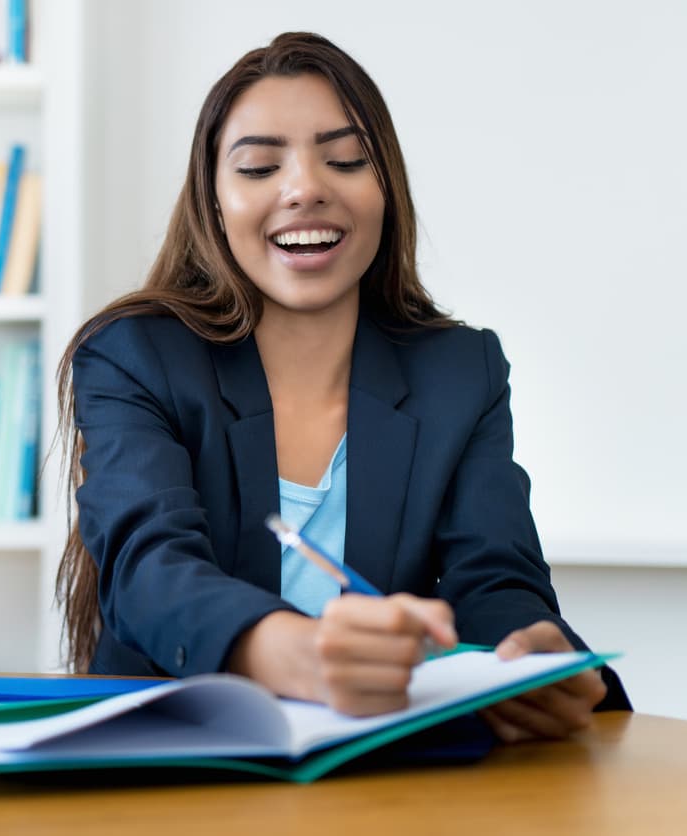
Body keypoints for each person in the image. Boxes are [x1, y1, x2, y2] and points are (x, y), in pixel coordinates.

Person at [54, 31, 629, 741]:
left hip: (388, 775)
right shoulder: (133, 356)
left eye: (346, 160)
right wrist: (291, 653)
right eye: (260, 166)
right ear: (213, 201)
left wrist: (536, 658)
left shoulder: (462, 370)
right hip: (172, 759)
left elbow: (496, 581)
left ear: (384, 187)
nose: (305, 189)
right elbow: (148, 567)